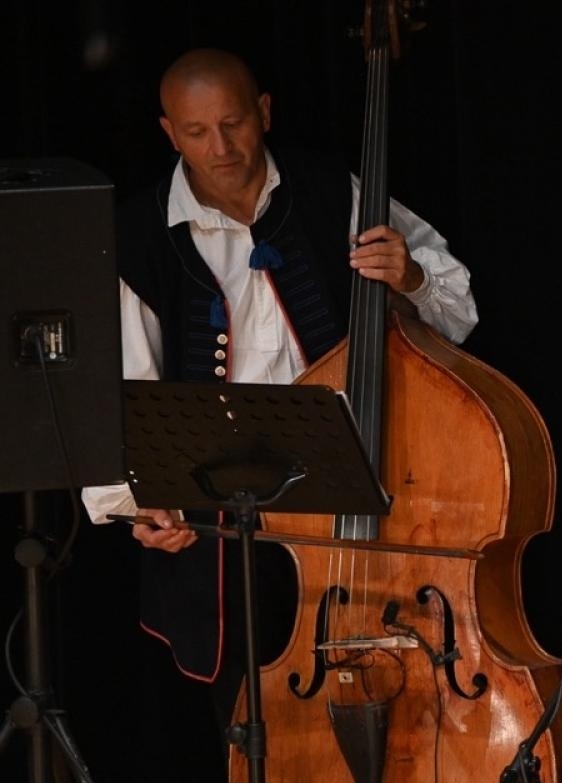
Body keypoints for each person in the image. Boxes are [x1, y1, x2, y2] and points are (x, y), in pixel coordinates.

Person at [80, 47, 476, 712]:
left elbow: (458, 309)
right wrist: (140, 504)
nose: (221, 147)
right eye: (198, 132)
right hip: (224, 523)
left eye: (233, 123)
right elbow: (122, 393)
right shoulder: (139, 236)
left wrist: (410, 276)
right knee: (249, 719)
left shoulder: (330, 191)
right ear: (169, 132)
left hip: (354, 497)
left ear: (263, 113)